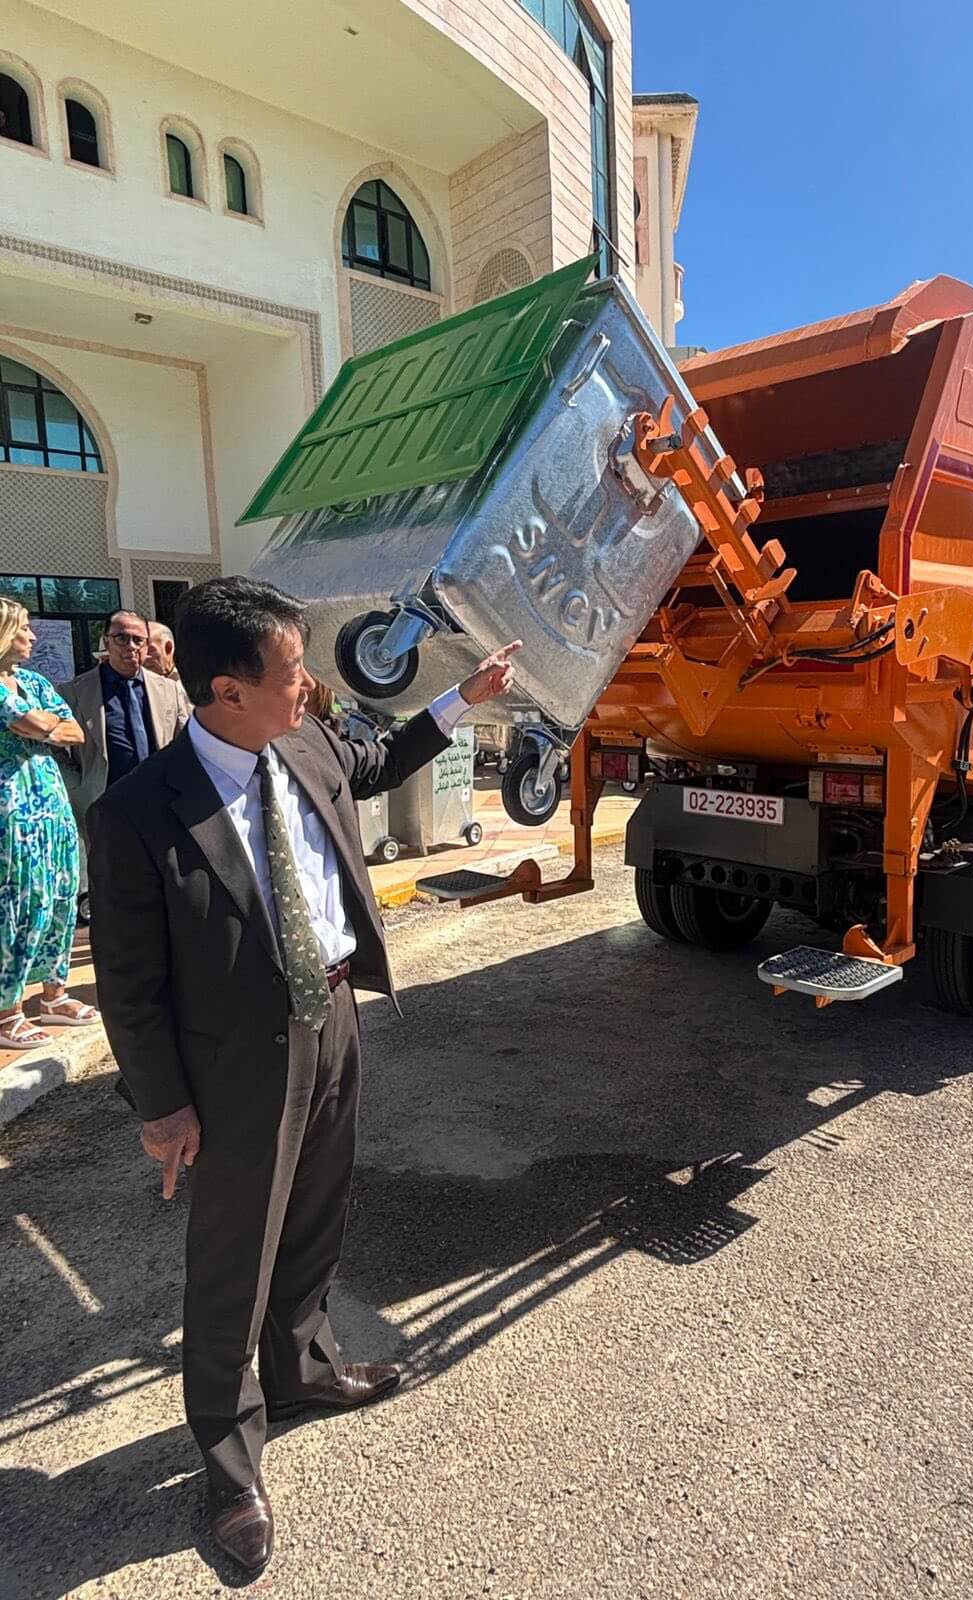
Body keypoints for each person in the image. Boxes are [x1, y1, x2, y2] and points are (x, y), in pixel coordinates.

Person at [87, 576, 519, 1575]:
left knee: (318, 1217)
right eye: (291, 671)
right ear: (226, 690)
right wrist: (163, 1109)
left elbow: (382, 759)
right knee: (232, 1264)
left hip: (332, 1018)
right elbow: (129, 985)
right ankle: (229, 1463)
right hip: (234, 1063)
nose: (310, 687)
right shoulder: (139, 815)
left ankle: (303, 1369)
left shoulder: (308, 742)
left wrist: (463, 699)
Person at [0, 599, 101, 1049]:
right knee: (18, 899)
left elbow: (74, 731)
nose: (32, 637)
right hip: (11, 808)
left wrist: (44, 727)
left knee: (59, 891)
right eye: (24, 628)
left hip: (51, 804)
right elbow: (29, 720)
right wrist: (44, 726)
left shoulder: (33, 682)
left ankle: (54, 996)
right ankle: (8, 1011)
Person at [57, 609, 191, 924]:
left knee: (162, 880)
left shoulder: (169, 690)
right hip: (104, 802)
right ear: (106, 642)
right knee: (111, 886)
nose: (130, 646)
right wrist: (77, 787)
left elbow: (187, 741)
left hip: (159, 803)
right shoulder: (74, 692)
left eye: (138, 639)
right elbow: (54, 749)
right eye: (121, 638)